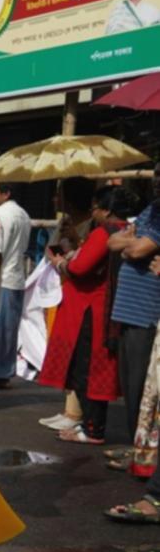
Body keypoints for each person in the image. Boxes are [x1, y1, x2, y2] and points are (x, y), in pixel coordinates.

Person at [37, 181, 124, 445]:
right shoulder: (120, 230)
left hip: (91, 309)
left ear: (107, 210)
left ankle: (93, 428)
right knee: (91, 370)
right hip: (98, 306)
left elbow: (80, 268)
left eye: (97, 208)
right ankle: (88, 425)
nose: (94, 212)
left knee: (89, 370)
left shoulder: (105, 232)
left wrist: (60, 262)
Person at [106, 184, 160, 451]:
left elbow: (137, 251)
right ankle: (134, 448)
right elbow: (113, 242)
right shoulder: (151, 211)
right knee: (129, 385)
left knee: (142, 388)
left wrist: (133, 245)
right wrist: (132, 243)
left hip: (147, 314)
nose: (158, 181)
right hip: (128, 312)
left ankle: (142, 453)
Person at [0, 179, 32, 387]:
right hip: (16, 276)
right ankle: (3, 371)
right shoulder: (23, 214)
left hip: (3, 278)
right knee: (8, 328)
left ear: (6, 194)